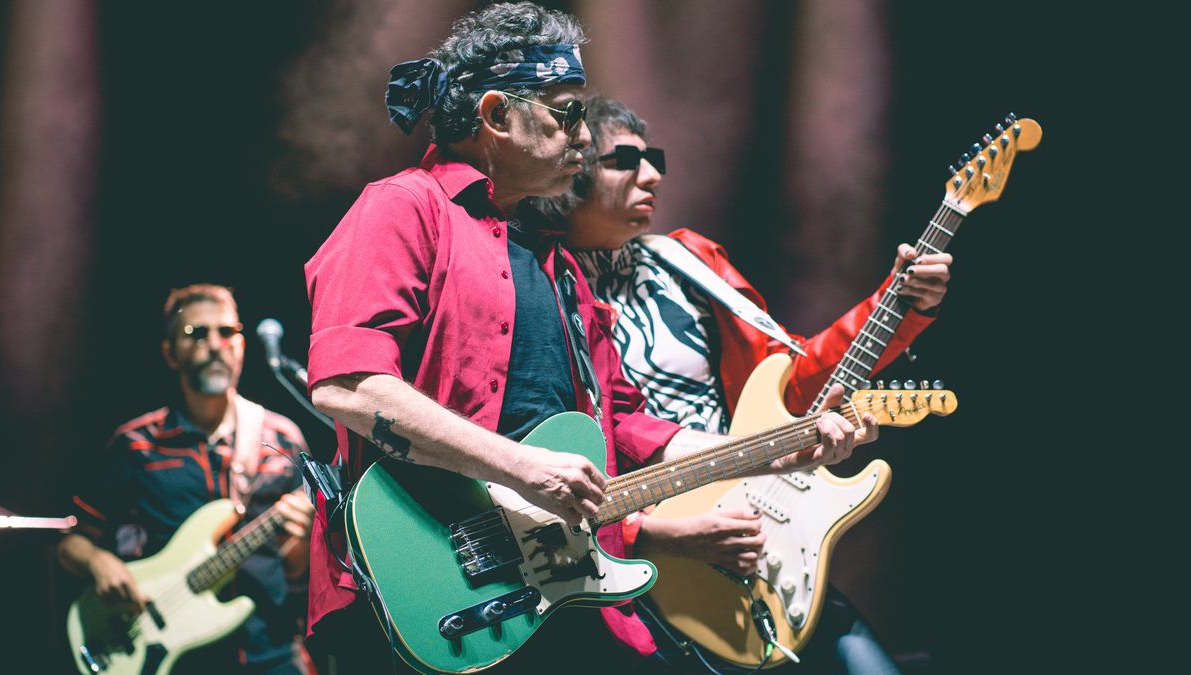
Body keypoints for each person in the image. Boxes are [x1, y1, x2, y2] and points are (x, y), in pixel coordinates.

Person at [301, 3, 877, 673]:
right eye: (567, 112)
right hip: (427, 587)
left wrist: (774, 450)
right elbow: (346, 384)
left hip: (553, 587)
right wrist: (521, 465)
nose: (585, 135)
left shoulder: (559, 265)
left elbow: (628, 425)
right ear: (494, 116)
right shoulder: (405, 207)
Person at [535, 95, 954, 673]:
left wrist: (900, 303)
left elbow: (794, 376)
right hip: (630, 562)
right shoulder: (535, 284)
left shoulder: (686, 259)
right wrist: (652, 533)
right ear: (569, 176)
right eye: (624, 160)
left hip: (757, 520)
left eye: (653, 158)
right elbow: (537, 459)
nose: (653, 174)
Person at [56, 284, 317, 675]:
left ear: (242, 345)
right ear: (170, 352)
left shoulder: (281, 439)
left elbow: (305, 566)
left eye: (226, 332)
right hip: (174, 655)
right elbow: (72, 543)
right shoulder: (136, 444)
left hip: (270, 650)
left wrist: (306, 536)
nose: (215, 345)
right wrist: (98, 562)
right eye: (197, 334)